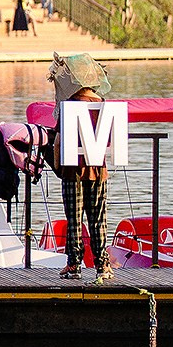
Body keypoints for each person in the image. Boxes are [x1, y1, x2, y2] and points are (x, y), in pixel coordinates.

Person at [51, 62, 115, 283]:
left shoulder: (70, 105)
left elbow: (58, 141)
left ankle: (74, 264)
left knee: (74, 219)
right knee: (98, 219)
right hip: (98, 170)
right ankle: (102, 264)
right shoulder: (103, 105)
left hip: (72, 171)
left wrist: (58, 167)